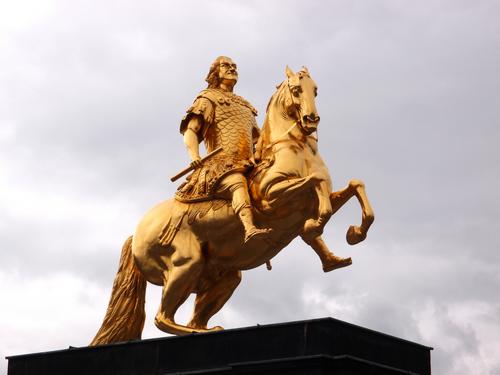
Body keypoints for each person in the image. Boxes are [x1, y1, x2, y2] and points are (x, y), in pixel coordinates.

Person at [176, 56, 271, 242]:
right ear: (216, 72)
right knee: (237, 182)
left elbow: (258, 139)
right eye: (226, 65)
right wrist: (194, 155)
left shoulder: (245, 105)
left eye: (234, 66)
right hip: (221, 165)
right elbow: (191, 131)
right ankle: (249, 228)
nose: (232, 69)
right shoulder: (207, 98)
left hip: (248, 163)